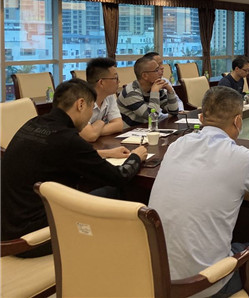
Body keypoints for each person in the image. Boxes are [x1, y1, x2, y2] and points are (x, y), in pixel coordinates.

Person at [148, 86, 249, 297]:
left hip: (156, 278)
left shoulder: (177, 145)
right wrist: (238, 190)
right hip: (202, 284)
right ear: (238, 121)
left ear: (201, 118)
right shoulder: (241, 157)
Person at [1, 79, 147, 256]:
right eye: (91, 108)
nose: (90, 117)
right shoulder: (68, 138)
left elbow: (58, 155)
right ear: (81, 104)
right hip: (35, 238)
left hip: (8, 229)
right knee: (117, 191)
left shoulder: (33, 124)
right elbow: (119, 176)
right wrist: (136, 156)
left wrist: (105, 153)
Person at [118, 56, 179, 128]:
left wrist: (170, 91)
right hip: (129, 131)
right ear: (145, 76)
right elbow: (151, 117)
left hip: (146, 128)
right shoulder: (131, 92)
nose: (160, 72)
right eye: (156, 70)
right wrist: (154, 92)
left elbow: (173, 111)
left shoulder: (155, 87)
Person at [78, 57, 124, 142]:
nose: (119, 82)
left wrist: (95, 129)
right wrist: (101, 123)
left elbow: (119, 125)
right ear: (101, 82)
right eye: (115, 78)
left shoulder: (109, 96)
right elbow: (89, 136)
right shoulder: (82, 101)